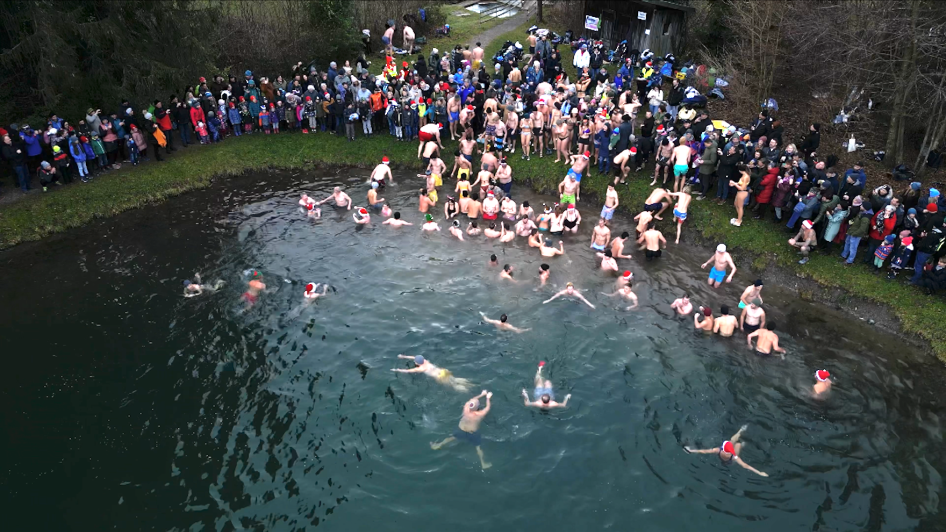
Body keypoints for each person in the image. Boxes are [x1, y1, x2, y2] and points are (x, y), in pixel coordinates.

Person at [430, 390, 493, 470]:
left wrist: (481, 394)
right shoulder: (480, 414)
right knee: (478, 447)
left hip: (461, 429)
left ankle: (439, 445)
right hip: (472, 432)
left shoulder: (466, 407)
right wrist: (487, 398)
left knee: (452, 437)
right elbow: (488, 407)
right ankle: (483, 463)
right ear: (477, 407)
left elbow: (471, 400)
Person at [683, 425, 769, 477]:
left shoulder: (717, 450)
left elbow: (704, 451)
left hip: (723, 458)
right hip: (730, 461)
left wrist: (691, 450)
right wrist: (759, 473)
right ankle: (743, 441)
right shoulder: (735, 457)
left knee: (733, 440)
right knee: (739, 445)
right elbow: (745, 466)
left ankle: (740, 431)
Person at [392, 354, 473, 393]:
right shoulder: (425, 361)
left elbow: (408, 371)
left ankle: (469, 391)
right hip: (443, 371)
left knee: (454, 385)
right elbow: (414, 357)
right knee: (454, 379)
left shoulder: (420, 368)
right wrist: (404, 356)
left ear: (417, 363)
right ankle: (470, 384)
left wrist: (397, 370)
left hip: (440, 377)